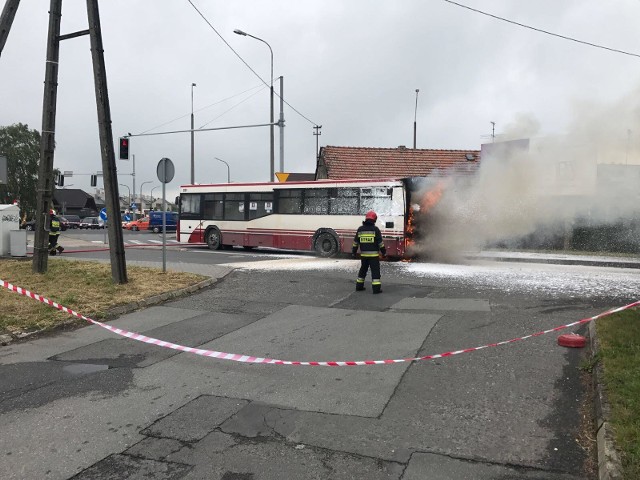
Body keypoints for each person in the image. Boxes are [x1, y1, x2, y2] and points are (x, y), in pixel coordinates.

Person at [352, 210, 386, 294]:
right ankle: (376, 289)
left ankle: (359, 286)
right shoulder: (375, 230)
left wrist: (353, 252)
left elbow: (355, 242)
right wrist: (384, 252)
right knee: (375, 272)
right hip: (374, 256)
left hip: (364, 255)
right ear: (374, 220)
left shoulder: (360, 229)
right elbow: (380, 243)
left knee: (363, 270)